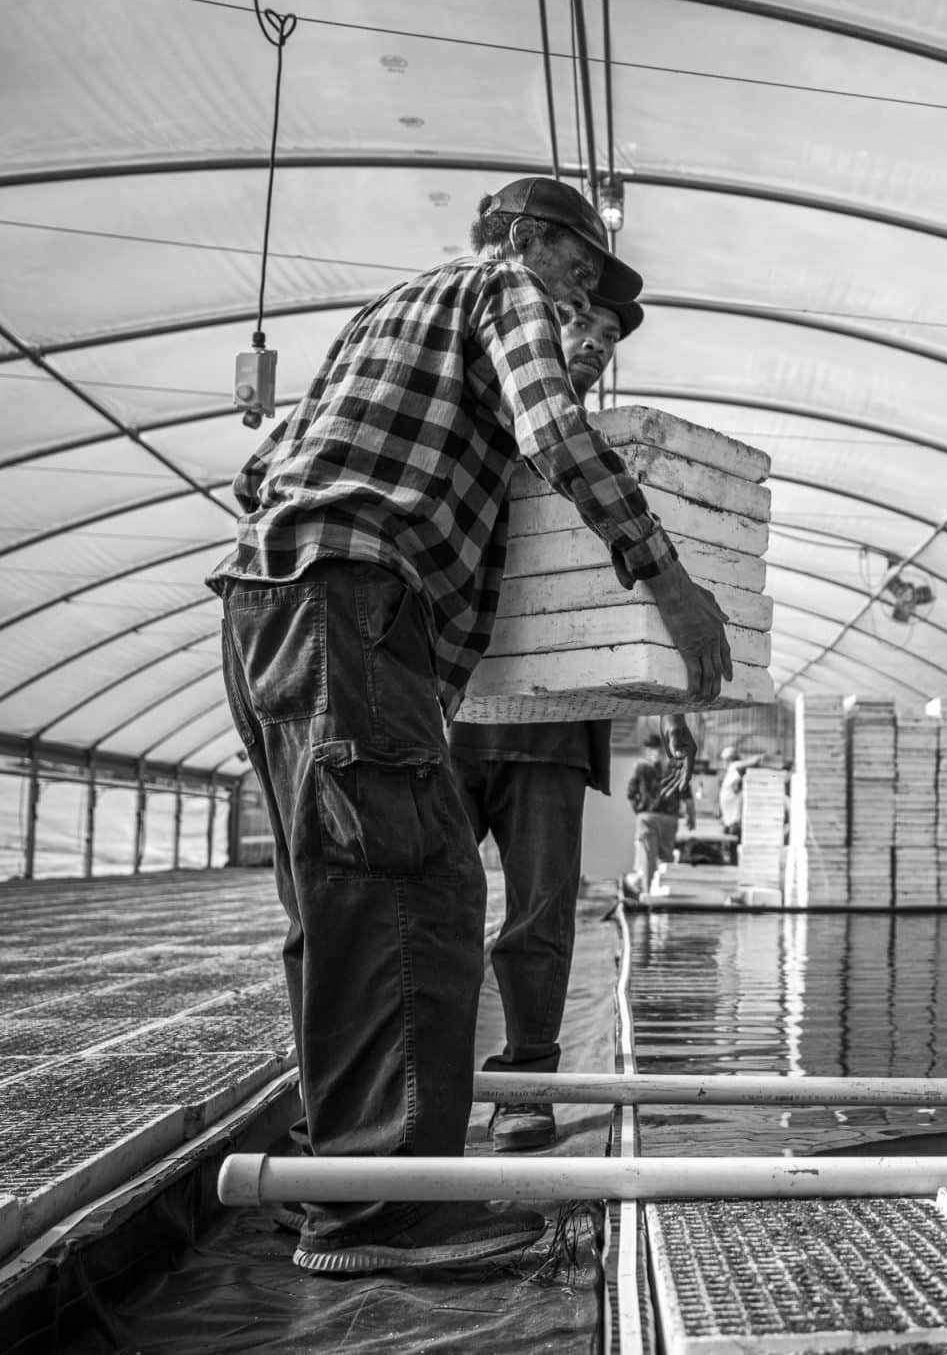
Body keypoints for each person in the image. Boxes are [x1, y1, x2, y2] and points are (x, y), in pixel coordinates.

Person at [211, 175, 731, 1274]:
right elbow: (555, 431)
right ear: (526, 239)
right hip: (356, 604)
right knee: (414, 897)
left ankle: (333, 1173)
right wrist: (669, 581)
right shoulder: (502, 288)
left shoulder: (381, 315)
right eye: (577, 269)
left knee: (336, 906)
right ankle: (385, 1210)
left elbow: (261, 474)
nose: (578, 297)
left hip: (268, 602)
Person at [447, 293, 644, 1154]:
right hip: (452, 715)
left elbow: (628, 601)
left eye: (606, 339)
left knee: (540, 918)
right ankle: (409, 1088)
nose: (593, 346)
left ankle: (525, 1085)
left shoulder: (611, 462)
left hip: (556, 730)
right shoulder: (470, 423)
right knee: (425, 911)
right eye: (579, 326)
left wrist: (668, 706)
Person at [625, 726, 690, 896]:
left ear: (647, 749)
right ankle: (665, 893)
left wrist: (639, 810)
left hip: (648, 816)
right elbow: (686, 792)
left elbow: (631, 793)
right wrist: (691, 815)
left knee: (648, 856)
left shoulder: (641, 767)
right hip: (669, 817)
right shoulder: (675, 766)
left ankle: (648, 894)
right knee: (666, 857)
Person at [716, 744, 765, 863]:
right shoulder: (732, 771)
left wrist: (760, 758)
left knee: (734, 850)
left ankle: (733, 868)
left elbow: (750, 763)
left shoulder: (735, 766)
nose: (724, 763)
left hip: (734, 820)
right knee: (730, 850)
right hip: (729, 819)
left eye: (725, 760)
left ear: (729, 759)